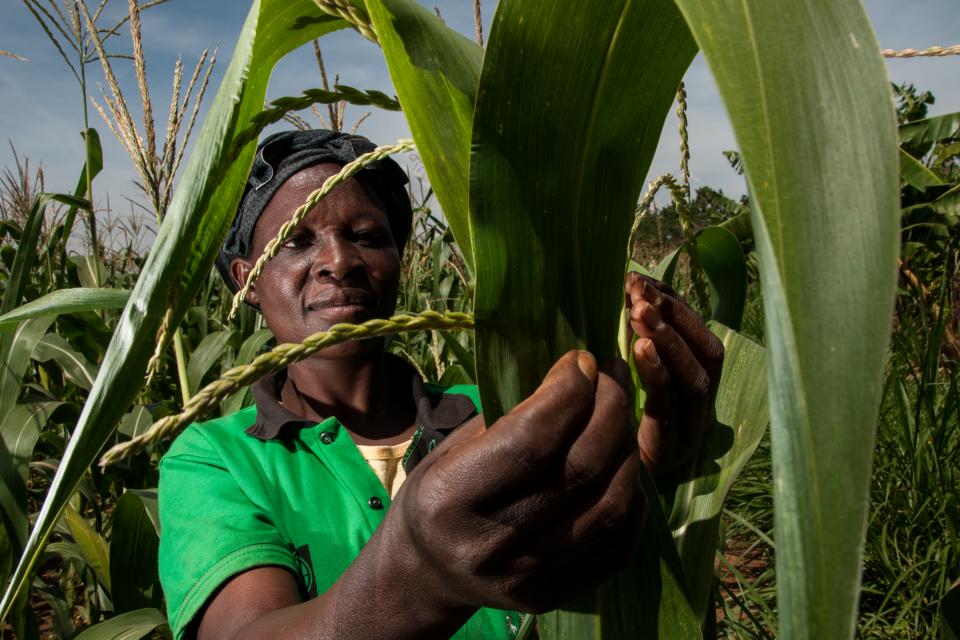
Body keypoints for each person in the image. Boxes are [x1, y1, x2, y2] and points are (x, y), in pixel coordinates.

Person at [157, 130, 724, 640]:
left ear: (400, 258)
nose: (338, 260)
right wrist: (418, 576)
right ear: (247, 280)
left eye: (367, 235)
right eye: (297, 242)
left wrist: (647, 464)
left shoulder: (510, 409)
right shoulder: (217, 460)